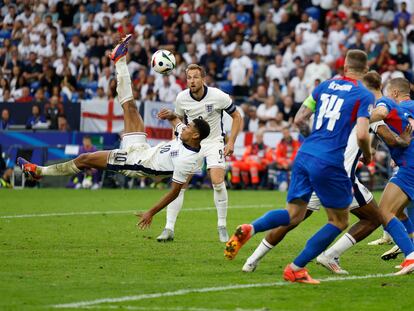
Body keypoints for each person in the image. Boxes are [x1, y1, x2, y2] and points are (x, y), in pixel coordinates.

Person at [18, 35, 210, 228]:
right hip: (142, 149)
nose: (184, 127)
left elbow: (174, 192)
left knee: (85, 159)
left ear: (195, 135)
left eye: (189, 127)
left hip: (133, 163)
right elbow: (176, 122)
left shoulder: (188, 159)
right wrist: (170, 115)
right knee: (131, 107)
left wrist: (150, 212)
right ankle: (120, 59)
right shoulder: (185, 136)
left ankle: (38, 171)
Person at [239, 71, 412, 275]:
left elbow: (304, 121)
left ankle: (251, 259)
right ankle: (316, 260)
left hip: (313, 165)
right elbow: (384, 136)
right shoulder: (368, 108)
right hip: (339, 175)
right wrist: (400, 141)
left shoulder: (341, 102)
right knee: (373, 217)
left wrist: (369, 152)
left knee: (293, 218)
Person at [225, 49, 374, 284]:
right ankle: (295, 268)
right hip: (329, 161)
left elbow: (299, 119)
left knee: (293, 215)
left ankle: (251, 228)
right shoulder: (363, 95)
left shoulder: (324, 86)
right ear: (365, 71)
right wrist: (368, 154)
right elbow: (363, 134)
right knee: (339, 221)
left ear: (344, 67)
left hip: (304, 154)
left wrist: (314, 140)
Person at [156, 63, 243, 243]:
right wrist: (177, 141)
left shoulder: (218, 96)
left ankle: (221, 226)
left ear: (203, 79)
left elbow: (237, 116)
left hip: (213, 142)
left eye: (196, 77)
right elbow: (177, 120)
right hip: (191, 144)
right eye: (189, 77)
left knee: (217, 182)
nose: (192, 81)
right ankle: (168, 228)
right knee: (180, 185)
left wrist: (231, 141)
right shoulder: (181, 98)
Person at [369, 77, 414, 274]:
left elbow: (379, 114)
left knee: (385, 212)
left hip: (409, 166)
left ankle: (410, 256)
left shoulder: (386, 102)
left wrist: (355, 118)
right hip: (408, 163)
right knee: (397, 211)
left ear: (394, 93)